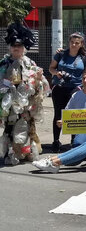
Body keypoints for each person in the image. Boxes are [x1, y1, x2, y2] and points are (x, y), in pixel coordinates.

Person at [0, 22, 50, 164]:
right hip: (10, 104)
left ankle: (27, 152)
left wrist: (39, 80)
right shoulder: (4, 64)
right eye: (14, 46)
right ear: (10, 47)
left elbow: (40, 85)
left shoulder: (30, 63)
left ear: (24, 48)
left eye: (19, 46)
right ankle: (11, 152)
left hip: (27, 103)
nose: (17, 48)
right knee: (10, 128)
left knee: (28, 128)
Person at [49, 32, 86, 152]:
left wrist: (84, 86)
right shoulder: (61, 54)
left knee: (73, 115)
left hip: (75, 88)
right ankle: (56, 141)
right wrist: (57, 73)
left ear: (81, 44)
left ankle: (73, 141)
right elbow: (51, 68)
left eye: (77, 43)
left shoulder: (84, 57)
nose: (74, 44)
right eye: (72, 42)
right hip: (60, 87)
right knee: (58, 114)